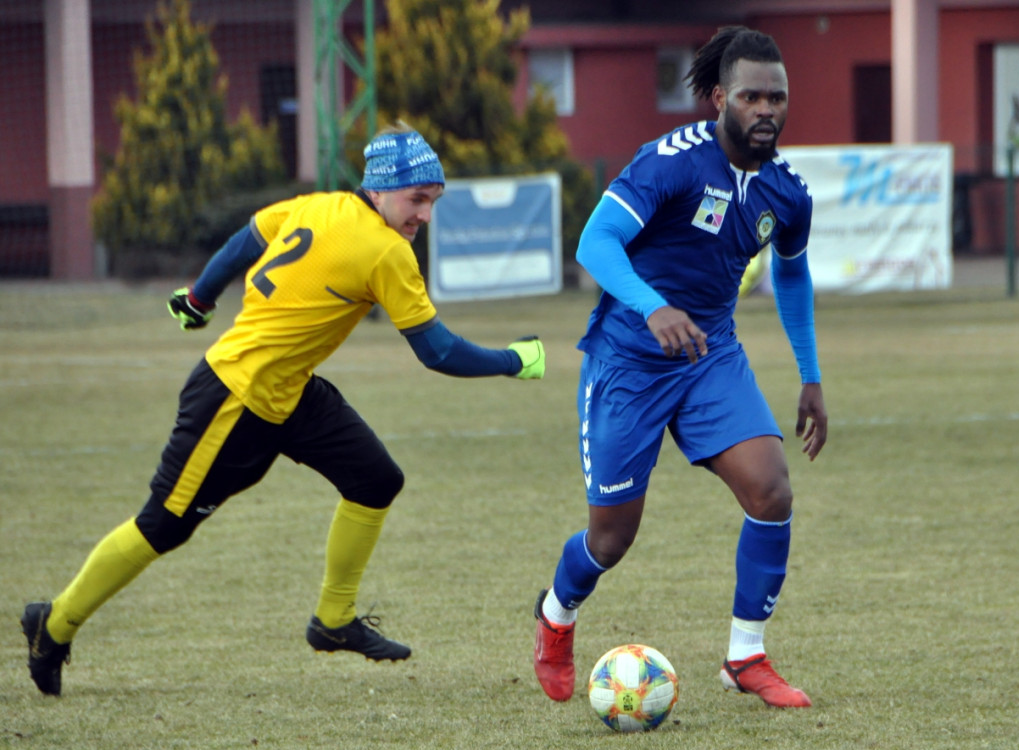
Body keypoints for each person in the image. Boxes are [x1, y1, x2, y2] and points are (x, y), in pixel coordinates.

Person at [21, 123, 546, 696]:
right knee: (162, 527)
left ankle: (334, 620)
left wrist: (200, 298)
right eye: (417, 199)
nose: (424, 214)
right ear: (379, 190)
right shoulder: (385, 250)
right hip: (234, 397)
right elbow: (437, 351)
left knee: (375, 480)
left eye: (432, 201)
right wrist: (515, 360)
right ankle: (54, 623)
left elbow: (244, 242)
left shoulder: (316, 207)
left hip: (288, 393)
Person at [531, 26, 827, 708]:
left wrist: (810, 376)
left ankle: (745, 657)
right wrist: (652, 306)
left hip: (707, 354)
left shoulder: (788, 192)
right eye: (752, 95)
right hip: (629, 358)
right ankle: (556, 618)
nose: (767, 110)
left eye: (777, 98)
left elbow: (792, 274)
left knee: (771, 490)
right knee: (611, 537)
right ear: (720, 97)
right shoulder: (669, 161)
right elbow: (596, 241)